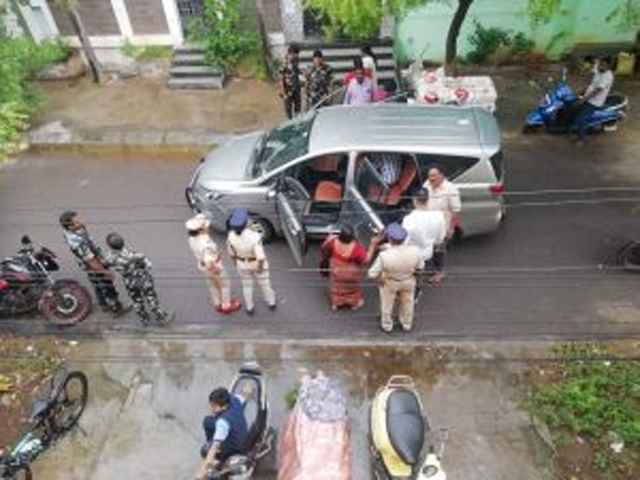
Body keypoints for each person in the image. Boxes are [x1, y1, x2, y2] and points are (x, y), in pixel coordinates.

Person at [59, 210, 128, 317]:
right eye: (76, 221)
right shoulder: (77, 242)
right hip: (93, 264)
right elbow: (90, 260)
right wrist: (104, 271)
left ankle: (103, 304)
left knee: (97, 284)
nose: (80, 222)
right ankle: (116, 308)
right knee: (106, 285)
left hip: (92, 260)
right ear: (70, 226)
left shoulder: (74, 230)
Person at [104, 232, 172, 327]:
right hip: (143, 280)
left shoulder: (109, 258)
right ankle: (161, 318)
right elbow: (149, 265)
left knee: (136, 301)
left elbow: (105, 264)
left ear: (109, 246)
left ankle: (144, 319)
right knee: (151, 298)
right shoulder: (137, 255)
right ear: (123, 242)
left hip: (129, 282)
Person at [368, 223, 422, 333]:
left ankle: (387, 325)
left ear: (389, 239)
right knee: (408, 303)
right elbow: (420, 267)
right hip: (408, 280)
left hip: (390, 281)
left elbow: (371, 273)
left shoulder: (384, 255)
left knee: (387, 305)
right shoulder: (415, 251)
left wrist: (379, 279)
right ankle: (406, 324)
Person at [186, 214, 241, 315]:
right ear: (201, 229)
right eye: (206, 226)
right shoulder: (206, 243)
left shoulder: (191, 239)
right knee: (224, 285)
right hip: (213, 267)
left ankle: (217, 303)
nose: (208, 227)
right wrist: (215, 271)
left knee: (212, 286)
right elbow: (208, 260)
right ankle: (226, 306)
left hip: (202, 265)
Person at [227, 208, 277, 315]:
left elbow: (231, 254)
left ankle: (249, 307)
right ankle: (271, 302)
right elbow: (261, 257)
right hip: (256, 263)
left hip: (241, 263)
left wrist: (236, 264)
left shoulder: (230, 236)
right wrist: (260, 268)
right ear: (245, 223)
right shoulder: (254, 235)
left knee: (247, 286)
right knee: (265, 284)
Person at [319, 224, 378, 311]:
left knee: (336, 287)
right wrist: (373, 245)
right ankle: (354, 304)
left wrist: (330, 238)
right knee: (352, 289)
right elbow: (366, 260)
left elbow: (324, 249)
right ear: (352, 237)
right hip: (351, 275)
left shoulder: (333, 242)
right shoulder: (356, 248)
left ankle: (336, 304)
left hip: (336, 271)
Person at [402, 189, 447, 300]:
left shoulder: (408, 219)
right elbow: (440, 239)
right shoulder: (439, 216)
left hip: (411, 254)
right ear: (428, 200)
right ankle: (416, 291)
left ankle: (413, 292)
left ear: (414, 200)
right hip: (427, 252)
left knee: (411, 274)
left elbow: (404, 241)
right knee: (419, 270)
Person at [196, 387, 249, 480]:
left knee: (206, 451)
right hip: (242, 437)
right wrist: (248, 389)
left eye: (214, 406)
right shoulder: (235, 400)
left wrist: (202, 473)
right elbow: (245, 394)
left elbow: (213, 449)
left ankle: (219, 462)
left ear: (224, 406)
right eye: (211, 405)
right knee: (208, 421)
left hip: (234, 448)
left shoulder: (223, 423)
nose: (211, 408)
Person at [424, 166, 461, 284]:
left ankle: (439, 272)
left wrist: (451, 228)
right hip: (428, 225)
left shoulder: (451, 189)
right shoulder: (427, 185)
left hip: (442, 228)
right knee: (429, 248)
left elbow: (456, 211)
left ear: (441, 175)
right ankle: (432, 268)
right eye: (429, 176)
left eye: (434, 176)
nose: (431, 179)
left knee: (439, 251)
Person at [573, 57, 614, 146]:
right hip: (588, 97)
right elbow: (591, 84)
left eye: (603, 65)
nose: (600, 66)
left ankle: (582, 139)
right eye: (600, 64)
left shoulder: (608, 76)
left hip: (594, 102)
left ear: (608, 66)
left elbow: (596, 91)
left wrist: (583, 100)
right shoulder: (599, 72)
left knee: (581, 119)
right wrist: (580, 91)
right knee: (573, 107)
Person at [278, 44, 303, 119]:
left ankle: (297, 122)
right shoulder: (284, 64)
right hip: (287, 91)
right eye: (295, 54)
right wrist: (284, 93)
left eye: (297, 54)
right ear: (290, 53)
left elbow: (298, 73)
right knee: (289, 113)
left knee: (298, 111)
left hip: (296, 90)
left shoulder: (296, 62)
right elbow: (280, 79)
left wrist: (302, 76)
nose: (296, 56)